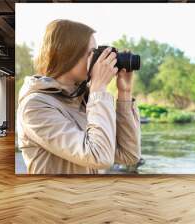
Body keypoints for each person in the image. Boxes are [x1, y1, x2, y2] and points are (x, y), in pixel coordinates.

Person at [16, 19, 141, 174]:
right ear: (67, 55)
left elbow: (129, 155)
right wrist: (98, 90)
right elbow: (99, 156)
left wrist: (124, 94)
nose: (96, 60)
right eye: (91, 53)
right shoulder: (35, 106)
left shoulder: (82, 100)